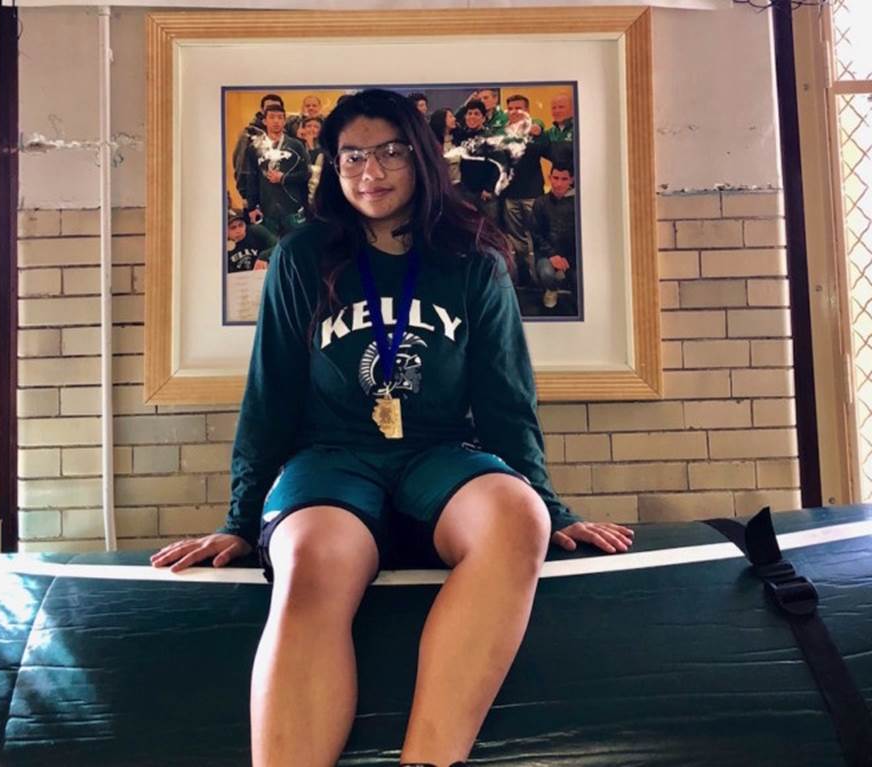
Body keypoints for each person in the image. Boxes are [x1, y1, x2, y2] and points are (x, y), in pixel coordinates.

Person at [152, 89, 631, 767]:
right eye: (352, 155)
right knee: (310, 560)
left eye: (389, 152)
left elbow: (505, 398)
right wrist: (238, 517)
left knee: (515, 517)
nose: (369, 170)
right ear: (333, 164)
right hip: (333, 459)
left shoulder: (473, 259)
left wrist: (550, 507)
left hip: (439, 455)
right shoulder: (301, 255)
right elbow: (271, 394)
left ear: (422, 155)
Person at [499, 94, 550, 287]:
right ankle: (524, 277)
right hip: (510, 195)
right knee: (517, 240)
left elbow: (544, 148)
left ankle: (541, 280)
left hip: (532, 193)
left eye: (518, 108)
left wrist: (535, 133)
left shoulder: (535, 131)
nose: (514, 112)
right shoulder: (502, 133)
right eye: (510, 108)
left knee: (536, 237)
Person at [238, 103, 310, 238]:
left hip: (293, 208)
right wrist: (252, 207)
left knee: (297, 247)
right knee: (272, 250)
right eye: (272, 117)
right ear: (264, 121)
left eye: (280, 117)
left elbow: (307, 174)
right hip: (268, 208)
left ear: (284, 121)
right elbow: (252, 179)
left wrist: (284, 178)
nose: (276, 121)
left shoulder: (296, 145)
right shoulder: (254, 147)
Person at [531, 161, 577, 311]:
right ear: (549, 178)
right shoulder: (540, 203)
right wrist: (552, 255)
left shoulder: (578, 203)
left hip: (572, 255)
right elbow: (536, 234)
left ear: (571, 180)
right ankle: (551, 289)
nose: (558, 184)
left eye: (564, 179)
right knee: (545, 273)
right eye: (555, 178)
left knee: (580, 280)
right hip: (548, 254)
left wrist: (568, 258)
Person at [233, 93, 285, 203]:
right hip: (256, 195)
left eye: (276, 108)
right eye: (269, 108)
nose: (273, 110)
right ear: (262, 110)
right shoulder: (249, 134)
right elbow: (240, 164)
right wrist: (245, 195)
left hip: (279, 195)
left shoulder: (285, 134)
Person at [227, 208, 277, 272]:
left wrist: (264, 256)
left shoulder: (256, 231)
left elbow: (278, 246)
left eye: (241, 225)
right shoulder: (219, 244)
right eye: (233, 228)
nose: (238, 230)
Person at [428, 107, 460, 186]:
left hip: (459, 184)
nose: (454, 119)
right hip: (442, 185)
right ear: (441, 120)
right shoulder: (433, 143)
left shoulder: (458, 137)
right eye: (450, 117)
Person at [546, 91, 575, 169]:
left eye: (561, 107)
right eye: (554, 108)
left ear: (572, 110)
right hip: (558, 179)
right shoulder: (550, 133)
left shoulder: (579, 130)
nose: (557, 111)